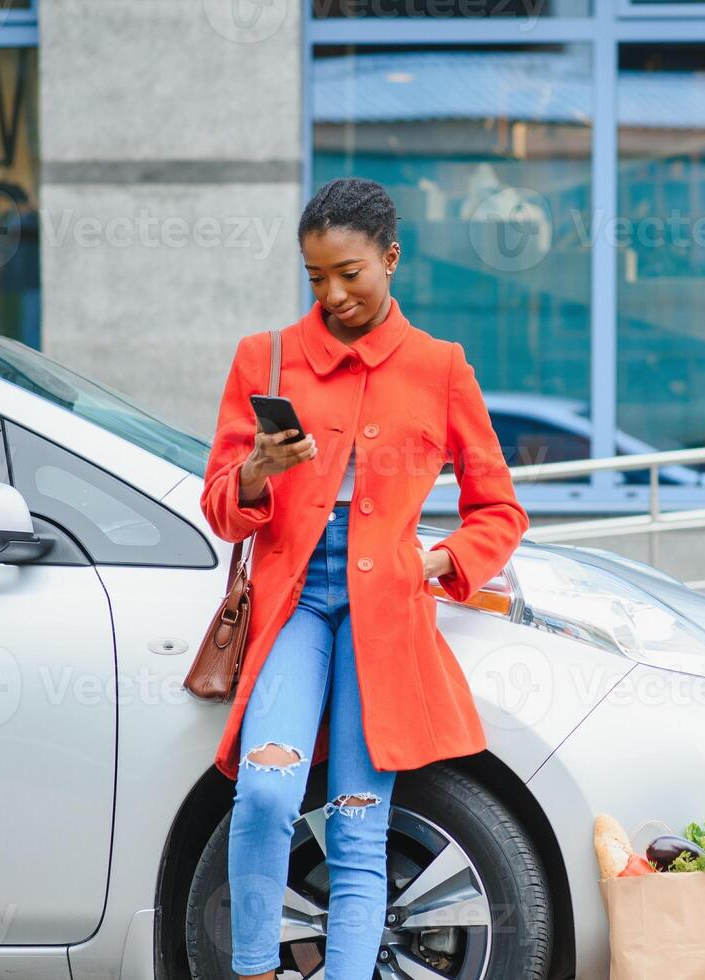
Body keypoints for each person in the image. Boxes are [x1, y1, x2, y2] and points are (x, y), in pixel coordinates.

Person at [197, 177, 529, 979]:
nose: (334, 294)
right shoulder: (265, 357)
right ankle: (252, 971)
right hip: (295, 602)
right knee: (268, 793)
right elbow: (219, 503)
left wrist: (442, 559)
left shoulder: (440, 367)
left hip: (386, 613)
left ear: (390, 258)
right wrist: (256, 472)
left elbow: (500, 509)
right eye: (316, 279)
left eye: (350, 273)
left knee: (356, 826)